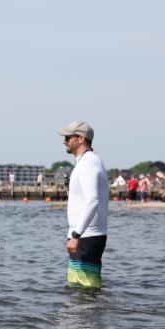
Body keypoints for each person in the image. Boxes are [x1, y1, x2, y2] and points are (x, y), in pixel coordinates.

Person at [58, 121, 108, 289]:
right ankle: (79, 316)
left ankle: (92, 315)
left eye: (67, 137)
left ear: (80, 138)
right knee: (77, 287)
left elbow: (92, 200)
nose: (64, 141)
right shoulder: (84, 162)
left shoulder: (89, 163)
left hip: (86, 236)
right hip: (82, 235)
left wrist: (76, 235)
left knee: (88, 290)